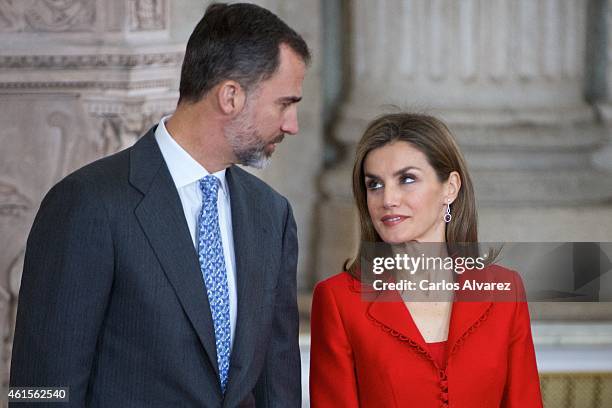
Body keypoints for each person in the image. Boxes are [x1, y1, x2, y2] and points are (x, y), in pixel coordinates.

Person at [10, 3, 310, 407]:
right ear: (231, 96)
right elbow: (41, 390)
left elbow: (279, 382)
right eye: (284, 103)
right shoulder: (88, 204)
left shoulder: (271, 214)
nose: (292, 124)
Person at [309, 113, 542, 407]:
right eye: (375, 185)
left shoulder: (505, 289)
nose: (388, 199)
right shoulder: (338, 300)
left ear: (450, 188)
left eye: (407, 179)